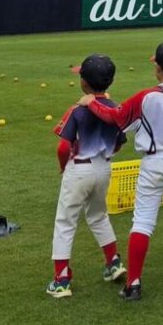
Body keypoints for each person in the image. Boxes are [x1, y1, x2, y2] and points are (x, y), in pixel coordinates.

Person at [78, 40, 163, 302]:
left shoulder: (145, 97)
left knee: (143, 221)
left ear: (158, 68)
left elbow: (115, 117)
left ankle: (134, 283)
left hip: (154, 161)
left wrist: (91, 103)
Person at [46, 54, 127, 298]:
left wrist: (63, 166)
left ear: (83, 82)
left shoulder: (78, 110)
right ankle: (113, 262)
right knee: (98, 215)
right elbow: (119, 142)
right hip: (104, 168)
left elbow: (63, 147)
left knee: (65, 221)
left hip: (79, 168)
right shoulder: (115, 108)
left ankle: (61, 280)